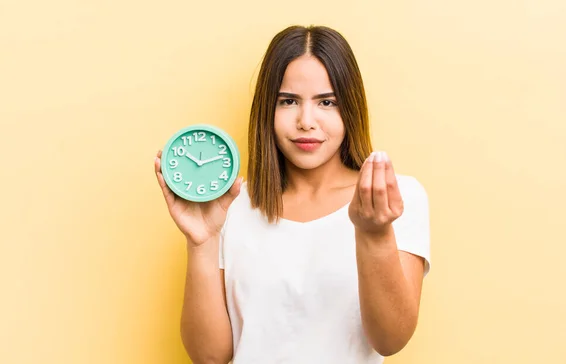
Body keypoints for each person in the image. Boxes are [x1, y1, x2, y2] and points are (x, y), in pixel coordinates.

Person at [154, 25, 430, 364]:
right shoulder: (231, 205)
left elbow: (390, 339)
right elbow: (210, 357)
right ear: (267, 109)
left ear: (351, 108)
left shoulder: (392, 201)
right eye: (288, 101)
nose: (306, 121)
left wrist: (374, 233)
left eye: (327, 102)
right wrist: (202, 243)